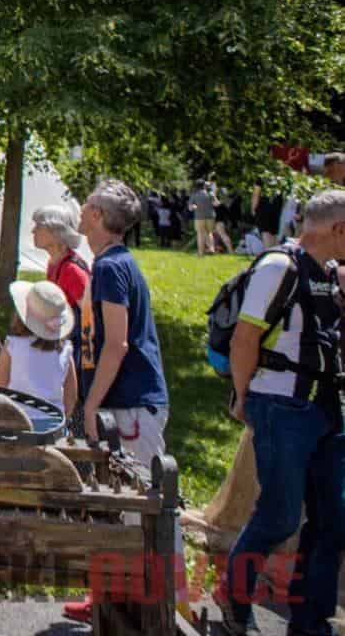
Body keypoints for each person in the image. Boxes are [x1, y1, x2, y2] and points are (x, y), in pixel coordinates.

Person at [216, 189, 345, 636]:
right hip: (282, 405)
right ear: (338, 229)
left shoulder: (331, 272)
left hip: (325, 407)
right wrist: (243, 397)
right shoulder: (279, 267)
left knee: (334, 518)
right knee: (280, 515)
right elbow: (244, 339)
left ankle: (311, 622)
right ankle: (233, 595)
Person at [64, 179, 170, 624]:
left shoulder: (111, 268)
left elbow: (117, 343)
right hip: (118, 402)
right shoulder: (107, 263)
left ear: (98, 216)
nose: (80, 209)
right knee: (116, 504)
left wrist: (91, 406)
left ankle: (165, 607)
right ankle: (112, 600)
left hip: (130, 402)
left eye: (87, 204)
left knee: (142, 510)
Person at [0, 280, 77, 424]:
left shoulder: (13, 345)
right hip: (53, 423)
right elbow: (71, 397)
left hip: (18, 421)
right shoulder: (65, 349)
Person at [31, 203, 89, 312]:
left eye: (39, 226)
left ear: (56, 232)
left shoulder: (72, 270)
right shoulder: (54, 263)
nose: (33, 231)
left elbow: (91, 314)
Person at [190, 179, 218, 257]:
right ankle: (211, 249)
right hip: (210, 216)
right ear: (204, 186)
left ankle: (200, 253)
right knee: (209, 233)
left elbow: (190, 207)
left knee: (200, 234)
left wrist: (195, 206)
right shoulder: (210, 193)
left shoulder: (194, 194)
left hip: (199, 216)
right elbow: (216, 204)